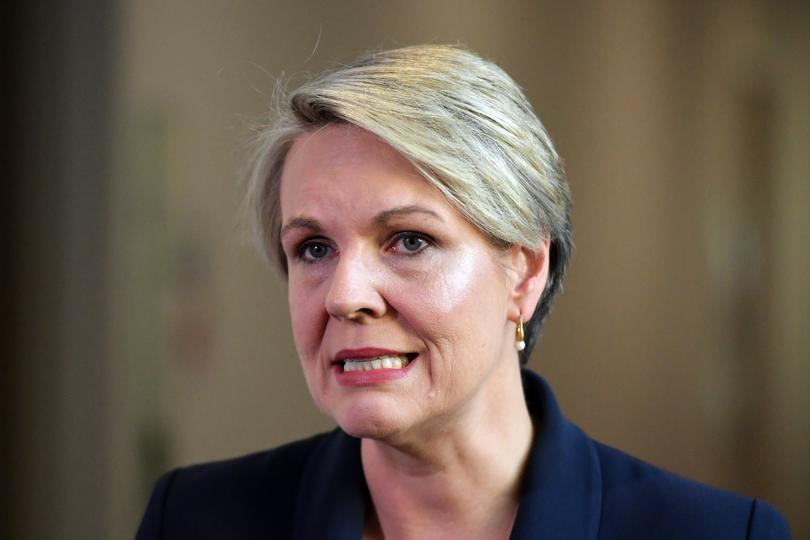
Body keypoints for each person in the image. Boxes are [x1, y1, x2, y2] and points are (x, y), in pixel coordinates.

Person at [136, 45, 789, 539]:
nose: (344, 295)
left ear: (525, 274)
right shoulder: (195, 518)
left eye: (409, 241)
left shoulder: (721, 532)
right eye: (313, 248)